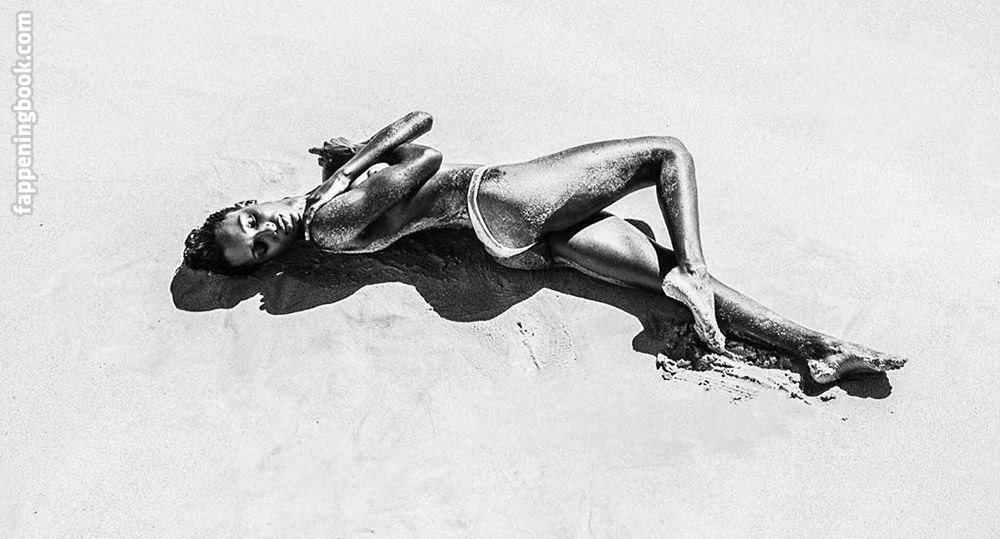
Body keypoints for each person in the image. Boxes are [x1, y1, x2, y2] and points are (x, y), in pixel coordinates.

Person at [183, 111, 905, 384]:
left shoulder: (325, 214)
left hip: (517, 244)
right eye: (257, 248)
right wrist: (348, 171)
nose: (265, 229)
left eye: (249, 220)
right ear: (268, 265)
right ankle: (694, 267)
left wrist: (350, 165)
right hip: (500, 198)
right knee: (666, 151)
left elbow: (411, 127)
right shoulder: (328, 223)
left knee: (653, 280)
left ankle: (818, 347)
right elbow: (424, 152)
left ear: (249, 202)